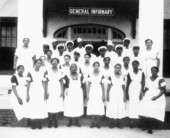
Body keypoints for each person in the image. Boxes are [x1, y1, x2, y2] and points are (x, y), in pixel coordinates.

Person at [139, 66, 166, 134]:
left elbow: (163, 90)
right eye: (152, 70)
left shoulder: (161, 79)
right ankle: (145, 125)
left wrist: (156, 97)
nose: (153, 72)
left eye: (155, 71)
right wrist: (142, 92)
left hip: (157, 96)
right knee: (143, 107)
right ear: (151, 71)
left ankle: (150, 128)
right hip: (148, 95)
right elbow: (147, 88)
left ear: (157, 71)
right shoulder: (148, 78)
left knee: (152, 111)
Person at [26, 59, 48, 129]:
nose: (39, 65)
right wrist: (27, 94)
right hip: (33, 89)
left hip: (40, 89)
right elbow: (28, 83)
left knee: (40, 106)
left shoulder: (43, 72)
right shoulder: (30, 71)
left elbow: (44, 82)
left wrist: (45, 92)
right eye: (38, 63)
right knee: (33, 106)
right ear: (35, 63)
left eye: (40, 63)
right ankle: (33, 123)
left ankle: (39, 122)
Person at [126, 60, 145, 128]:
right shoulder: (130, 73)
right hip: (131, 89)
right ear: (132, 65)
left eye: (136, 64)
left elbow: (143, 82)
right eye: (133, 64)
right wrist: (126, 93)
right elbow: (128, 83)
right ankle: (132, 122)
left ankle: (139, 121)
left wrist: (141, 92)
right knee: (132, 105)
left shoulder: (142, 72)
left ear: (138, 64)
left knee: (139, 104)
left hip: (138, 88)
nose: (135, 65)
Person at [106, 63, 126, 128]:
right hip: (113, 92)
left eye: (119, 68)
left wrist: (125, 95)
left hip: (120, 92)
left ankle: (119, 123)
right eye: (116, 68)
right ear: (114, 68)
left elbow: (123, 87)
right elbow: (108, 87)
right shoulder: (110, 76)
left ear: (120, 69)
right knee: (113, 106)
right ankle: (112, 123)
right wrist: (108, 95)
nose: (117, 69)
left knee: (119, 107)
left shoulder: (123, 76)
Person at [46, 58, 63, 128]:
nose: (54, 63)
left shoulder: (60, 71)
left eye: (56, 62)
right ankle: (50, 120)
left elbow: (61, 81)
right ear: (51, 62)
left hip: (57, 88)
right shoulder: (48, 70)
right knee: (50, 104)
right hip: (50, 88)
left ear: (58, 63)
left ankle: (55, 120)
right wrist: (46, 91)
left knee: (56, 104)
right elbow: (46, 81)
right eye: (53, 62)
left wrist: (62, 90)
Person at [87, 62, 105, 128]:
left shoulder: (101, 75)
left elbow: (102, 86)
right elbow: (88, 85)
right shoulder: (90, 74)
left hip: (99, 90)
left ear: (99, 66)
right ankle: (92, 122)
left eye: (97, 65)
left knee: (98, 106)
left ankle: (97, 122)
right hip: (92, 90)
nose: (96, 67)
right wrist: (88, 94)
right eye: (95, 65)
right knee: (92, 106)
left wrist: (103, 95)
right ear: (93, 66)